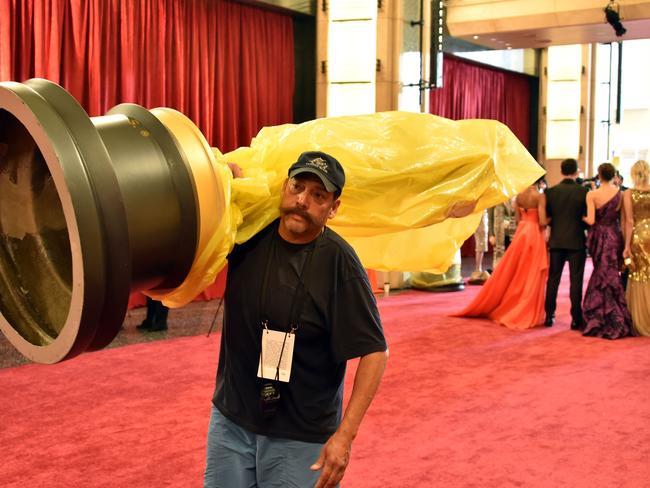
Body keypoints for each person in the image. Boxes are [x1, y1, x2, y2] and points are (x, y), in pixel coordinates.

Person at [204, 151, 389, 488]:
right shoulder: (248, 236)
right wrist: (218, 181)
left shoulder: (341, 265)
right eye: (297, 186)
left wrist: (344, 437)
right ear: (283, 189)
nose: (303, 200)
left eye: (318, 196)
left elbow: (376, 353)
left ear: (333, 208)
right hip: (232, 421)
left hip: (299, 435)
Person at [453, 178, 548, 329]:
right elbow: (542, 221)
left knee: (517, 270)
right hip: (534, 233)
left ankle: (509, 302)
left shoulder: (519, 196)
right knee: (531, 272)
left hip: (522, 232)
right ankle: (522, 305)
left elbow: (517, 219)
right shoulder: (539, 196)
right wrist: (551, 219)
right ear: (539, 181)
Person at [581, 163, 632, 339]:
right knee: (611, 273)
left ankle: (599, 315)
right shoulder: (620, 193)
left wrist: (580, 216)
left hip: (599, 236)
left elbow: (591, 220)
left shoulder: (592, 194)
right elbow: (624, 220)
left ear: (599, 174)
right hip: (614, 235)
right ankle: (615, 316)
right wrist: (626, 245)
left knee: (600, 272)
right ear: (613, 175)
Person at [544, 158, 589, 329]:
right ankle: (576, 319)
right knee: (575, 281)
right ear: (576, 171)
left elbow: (548, 218)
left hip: (556, 241)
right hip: (576, 241)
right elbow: (586, 219)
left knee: (553, 279)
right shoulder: (583, 191)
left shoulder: (551, 192)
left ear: (562, 171)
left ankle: (549, 315)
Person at [622, 159, 650, 336]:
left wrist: (626, 246)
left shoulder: (629, 193)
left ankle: (641, 320)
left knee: (638, 276)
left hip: (638, 237)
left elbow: (629, 220)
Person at [489, 198, 517, 269]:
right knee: (499, 256)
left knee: (511, 257)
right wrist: (491, 234)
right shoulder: (494, 198)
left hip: (512, 233)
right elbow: (490, 218)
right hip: (498, 232)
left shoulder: (513, 196)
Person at [468, 209, 490, 284]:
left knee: (481, 241)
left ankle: (478, 268)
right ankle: (478, 268)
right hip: (479, 213)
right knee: (481, 241)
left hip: (481, 213)